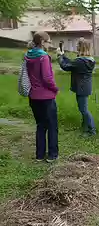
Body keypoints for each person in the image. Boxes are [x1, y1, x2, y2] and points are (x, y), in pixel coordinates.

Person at [25, 31, 59, 162]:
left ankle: (39, 155)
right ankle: (52, 155)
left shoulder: (28, 55)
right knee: (52, 126)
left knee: (40, 125)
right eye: (49, 41)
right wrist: (55, 88)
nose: (50, 44)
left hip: (33, 96)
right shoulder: (43, 57)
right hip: (46, 96)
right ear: (43, 42)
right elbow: (47, 78)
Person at [57, 38, 96, 135]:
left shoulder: (80, 61)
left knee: (84, 109)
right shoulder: (88, 60)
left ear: (81, 47)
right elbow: (71, 63)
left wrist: (59, 57)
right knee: (83, 108)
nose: (76, 46)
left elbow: (66, 66)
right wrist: (63, 55)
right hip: (85, 87)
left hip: (81, 87)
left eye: (78, 45)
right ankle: (85, 128)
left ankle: (92, 130)